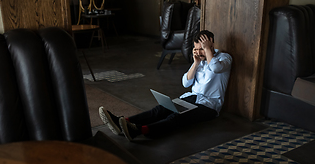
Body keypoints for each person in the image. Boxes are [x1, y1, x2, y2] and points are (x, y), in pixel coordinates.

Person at [99, 30, 232, 141]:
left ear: (211, 45)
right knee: (161, 109)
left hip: (209, 105)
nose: (198, 52)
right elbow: (186, 83)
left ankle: (140, 130)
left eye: (201, 49)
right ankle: (123, 122)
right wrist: (196, 63)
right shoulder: (199, 61)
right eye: (196, 49)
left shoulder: (224, 58)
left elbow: (215, 68)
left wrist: (207, 50)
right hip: (191, 97)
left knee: (176, 117)